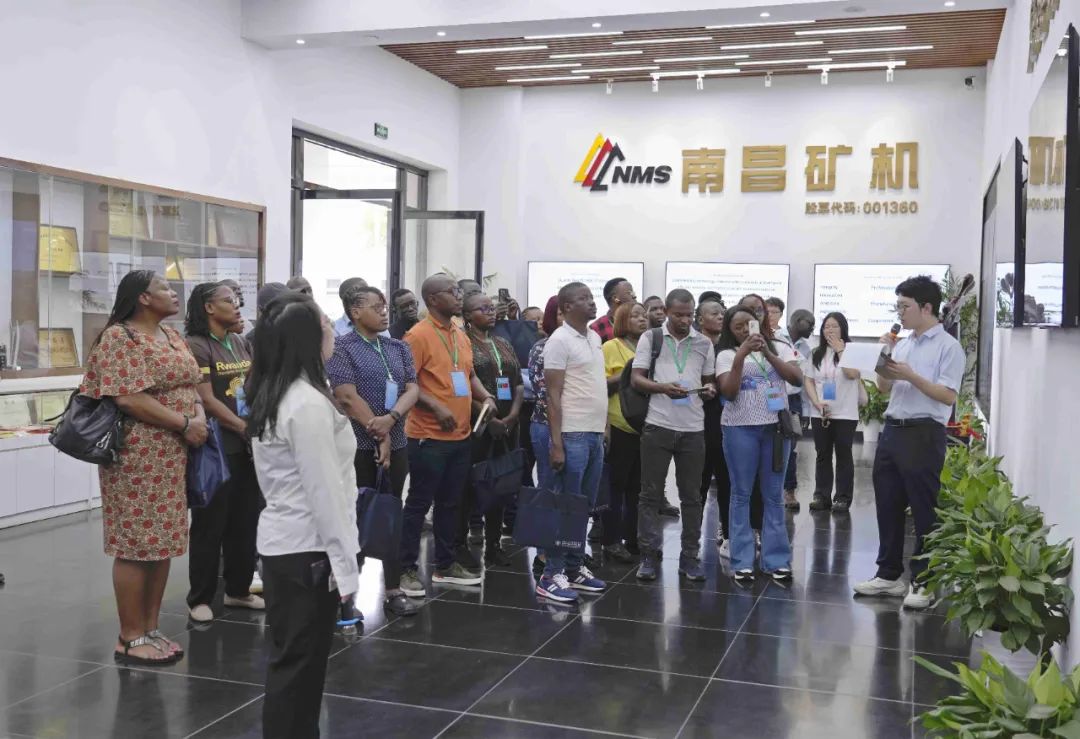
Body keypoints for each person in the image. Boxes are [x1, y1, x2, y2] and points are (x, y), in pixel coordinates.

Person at [245, 292, 360, 739]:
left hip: (287, 545)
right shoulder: (306, 404)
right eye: (327, 327)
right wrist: (346, 568)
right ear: (307, 340)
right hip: (306, 549)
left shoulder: (280, 393)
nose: (333, 334)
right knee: (299, 668)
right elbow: (324, 494)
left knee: (297, 664)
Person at [80, 270, 206, 666]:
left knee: (163, 541)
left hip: (174, 454)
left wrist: (198, 416)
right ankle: (130, 636)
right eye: (164, 288)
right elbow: (128, 398)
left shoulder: (170, 334)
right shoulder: (120, 338)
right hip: (137, 455)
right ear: (143, 298)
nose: (174, 293)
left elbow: (190, 383)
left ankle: (150, 629)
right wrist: (184, 423)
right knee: (136, 545)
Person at [854, 276, 965, 610]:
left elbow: (948, 396)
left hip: (924, 433)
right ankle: (888, 575)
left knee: (923, 509)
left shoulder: (948, 347)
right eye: (898, 306)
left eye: (905, 306)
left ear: (926, 307)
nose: (899, 312)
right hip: (893, 430)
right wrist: (883, 358)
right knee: (887, 504)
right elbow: (884, 388)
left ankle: (924, 581)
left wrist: (911, 376)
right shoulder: (902, 344)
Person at [399, 275, 498, 596]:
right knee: (418, 504)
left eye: (459, 291)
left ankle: (444, 565)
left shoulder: (459, 333)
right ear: (432, 299)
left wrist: (485, 397)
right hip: (428, 437)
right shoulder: (417, 336)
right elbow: (407, 383)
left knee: (450, 504)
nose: (459, 296)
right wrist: (435, 407)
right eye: (452, 292)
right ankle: (405, 570)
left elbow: (468, 375)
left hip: (460, 436)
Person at [326, 285, 421, 617]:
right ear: (355, 313)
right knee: (354, 517)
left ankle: (393, 589)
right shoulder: (342, 348)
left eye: (385, 307)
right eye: (376, 307)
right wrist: (376, 431)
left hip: (397, 443)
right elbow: (346, 396)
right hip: (357, 447)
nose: (384, 312)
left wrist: (390, 419)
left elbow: (412, 388)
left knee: (391, 512)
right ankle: (346, 596)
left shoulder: (398, 346)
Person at [183, 282, 264, 623]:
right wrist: (242, 427)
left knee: (245, 520)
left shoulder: (239, 341)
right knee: (210, 524)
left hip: (247, 445)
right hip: (218, 446)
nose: (236, 304)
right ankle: (200, 598)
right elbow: (206, 399)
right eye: (229, 300)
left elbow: (251, 385)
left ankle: (238, 589)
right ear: (209, 308)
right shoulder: (196, 345)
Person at [631, 290, 717, 581]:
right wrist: (663, 388)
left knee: (692, 497)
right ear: (667, 311)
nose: (685, 320)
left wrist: (710, 389)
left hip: (693, 428)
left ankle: (689, 557)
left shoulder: (704, 342)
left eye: (689, 315)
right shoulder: (651, 338)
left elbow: (708, 381)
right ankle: (648, 556)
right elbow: (637, 378)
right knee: (650, 495)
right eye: (679, 314)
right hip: (657, 425)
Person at [716, 304, 803, 583]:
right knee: (741, 493)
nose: (745, 330)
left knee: (773, 494)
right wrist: (741, 355)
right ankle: (742, 560)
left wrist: (767, 353)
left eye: (749, 324)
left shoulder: (780, 347)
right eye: (738, 326)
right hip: (740, 429)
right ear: (730, 330)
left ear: (759, 323)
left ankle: (776, 560)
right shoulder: (726, 354)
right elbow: (729, 392)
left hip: (775, 430)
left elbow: (796, 379)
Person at [536, 282, 609, 602]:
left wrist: (604, 427)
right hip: (571, 433)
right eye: (584, 299)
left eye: (591, 297)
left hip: (593, 433)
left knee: (583, 506)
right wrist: (556, 443)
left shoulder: (593, 337)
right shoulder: (559, 341)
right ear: (566, 307)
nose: (592, 303)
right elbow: (552, 395)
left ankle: (574, 566)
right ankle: (551, 574)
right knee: (565, 505)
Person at [459, 292, 524, 566]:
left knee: (501, 485)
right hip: (477, 425)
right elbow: (462, 387)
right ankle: (460, 546)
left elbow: (518, 383)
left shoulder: (503, 342)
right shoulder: (462, 342)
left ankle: (494, 545)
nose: (491, 312)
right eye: (483, 309)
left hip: (508, 424)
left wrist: (513, 416)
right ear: (467, 315)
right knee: (469, 487)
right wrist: (489, 419)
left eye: (491, 308)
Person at [697, 300, 756, 556]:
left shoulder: (732, 348)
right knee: (699, 482)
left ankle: (730, 534)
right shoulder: (699, 346)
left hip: (731, 419)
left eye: (723, 313)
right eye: (715, 313)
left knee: (727, 480)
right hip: (702, 419)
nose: (720, 317)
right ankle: (692, 540)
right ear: (700, 318)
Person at [600, 302, 647, 563]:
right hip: (619, 423)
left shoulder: (650, 348)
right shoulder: (610, 347)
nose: (642, 319)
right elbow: (601, 385)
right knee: (615, 486)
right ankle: (611, 541)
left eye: (644, 315)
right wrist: (631, 373)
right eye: (635, 315)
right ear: (621, 320)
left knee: (638, 487)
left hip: (646, 425)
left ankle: (634, 538)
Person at [804, 312, 862, 513]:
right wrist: (816, 403)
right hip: (821, 412)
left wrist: (840, 350)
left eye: (834, 326)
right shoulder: (816, 353)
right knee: (822, 454)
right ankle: (821, 495)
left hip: (845, 412)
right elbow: (809, 380)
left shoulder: (852, 350)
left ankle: (843, 498)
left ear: (843, 328)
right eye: (826, 326)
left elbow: (852, 374)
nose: (829, 330)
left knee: (844, 454)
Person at [527, 296, 561, 576]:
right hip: (546, 424)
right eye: (560, 313)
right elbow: (546, 393)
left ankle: (566, 550)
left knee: (568, 492)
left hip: (575, 426)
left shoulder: (586, 343)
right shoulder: (542, 348)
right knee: (548, 488)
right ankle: (543, 552)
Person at [779, 308, 816, 511]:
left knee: (790, 447)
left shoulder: (806, 349)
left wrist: (806, 412)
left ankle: (789, 490)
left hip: (793, 402)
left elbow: (805, 381)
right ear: (798, 321)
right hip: (773, 398)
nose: (812, 329)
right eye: (810, 324)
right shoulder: (776, 338)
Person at [590, 277, 637, 342]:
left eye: (633, 293)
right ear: (615, 298)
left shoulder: (641, 322)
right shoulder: (596, 328)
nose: (634, 296)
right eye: (629, 293)